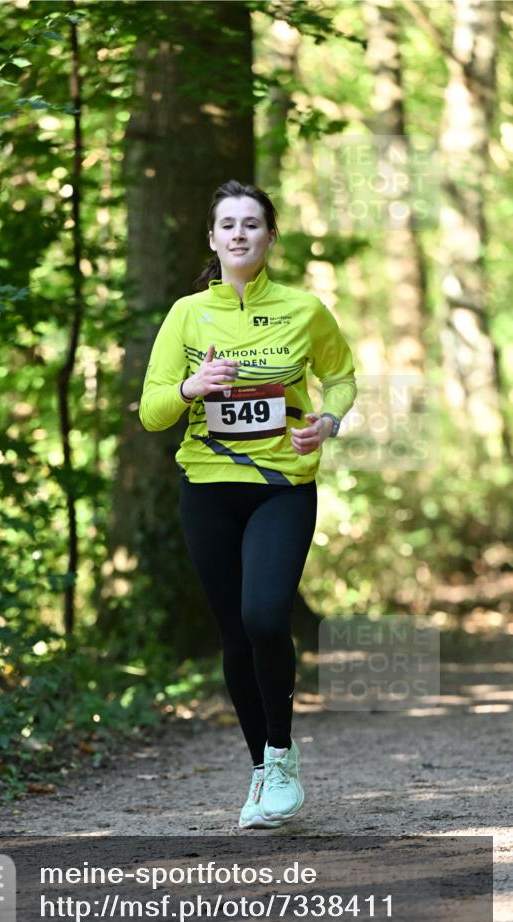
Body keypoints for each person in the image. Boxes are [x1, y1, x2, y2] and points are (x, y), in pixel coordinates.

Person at [138, 179, 357, 829]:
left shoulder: (303, 309)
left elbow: (341, 376)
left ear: (269, 237)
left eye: (252, 223)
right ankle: (260, 768)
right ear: (212, 239)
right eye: (228, 224)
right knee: (233, 632)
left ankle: (282, 755)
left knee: (264, 615)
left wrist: (328, 421)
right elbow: (151, 412)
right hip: (206, 489)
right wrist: (192, 385)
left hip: (281, 486)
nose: (239, 233)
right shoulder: (185, 315)